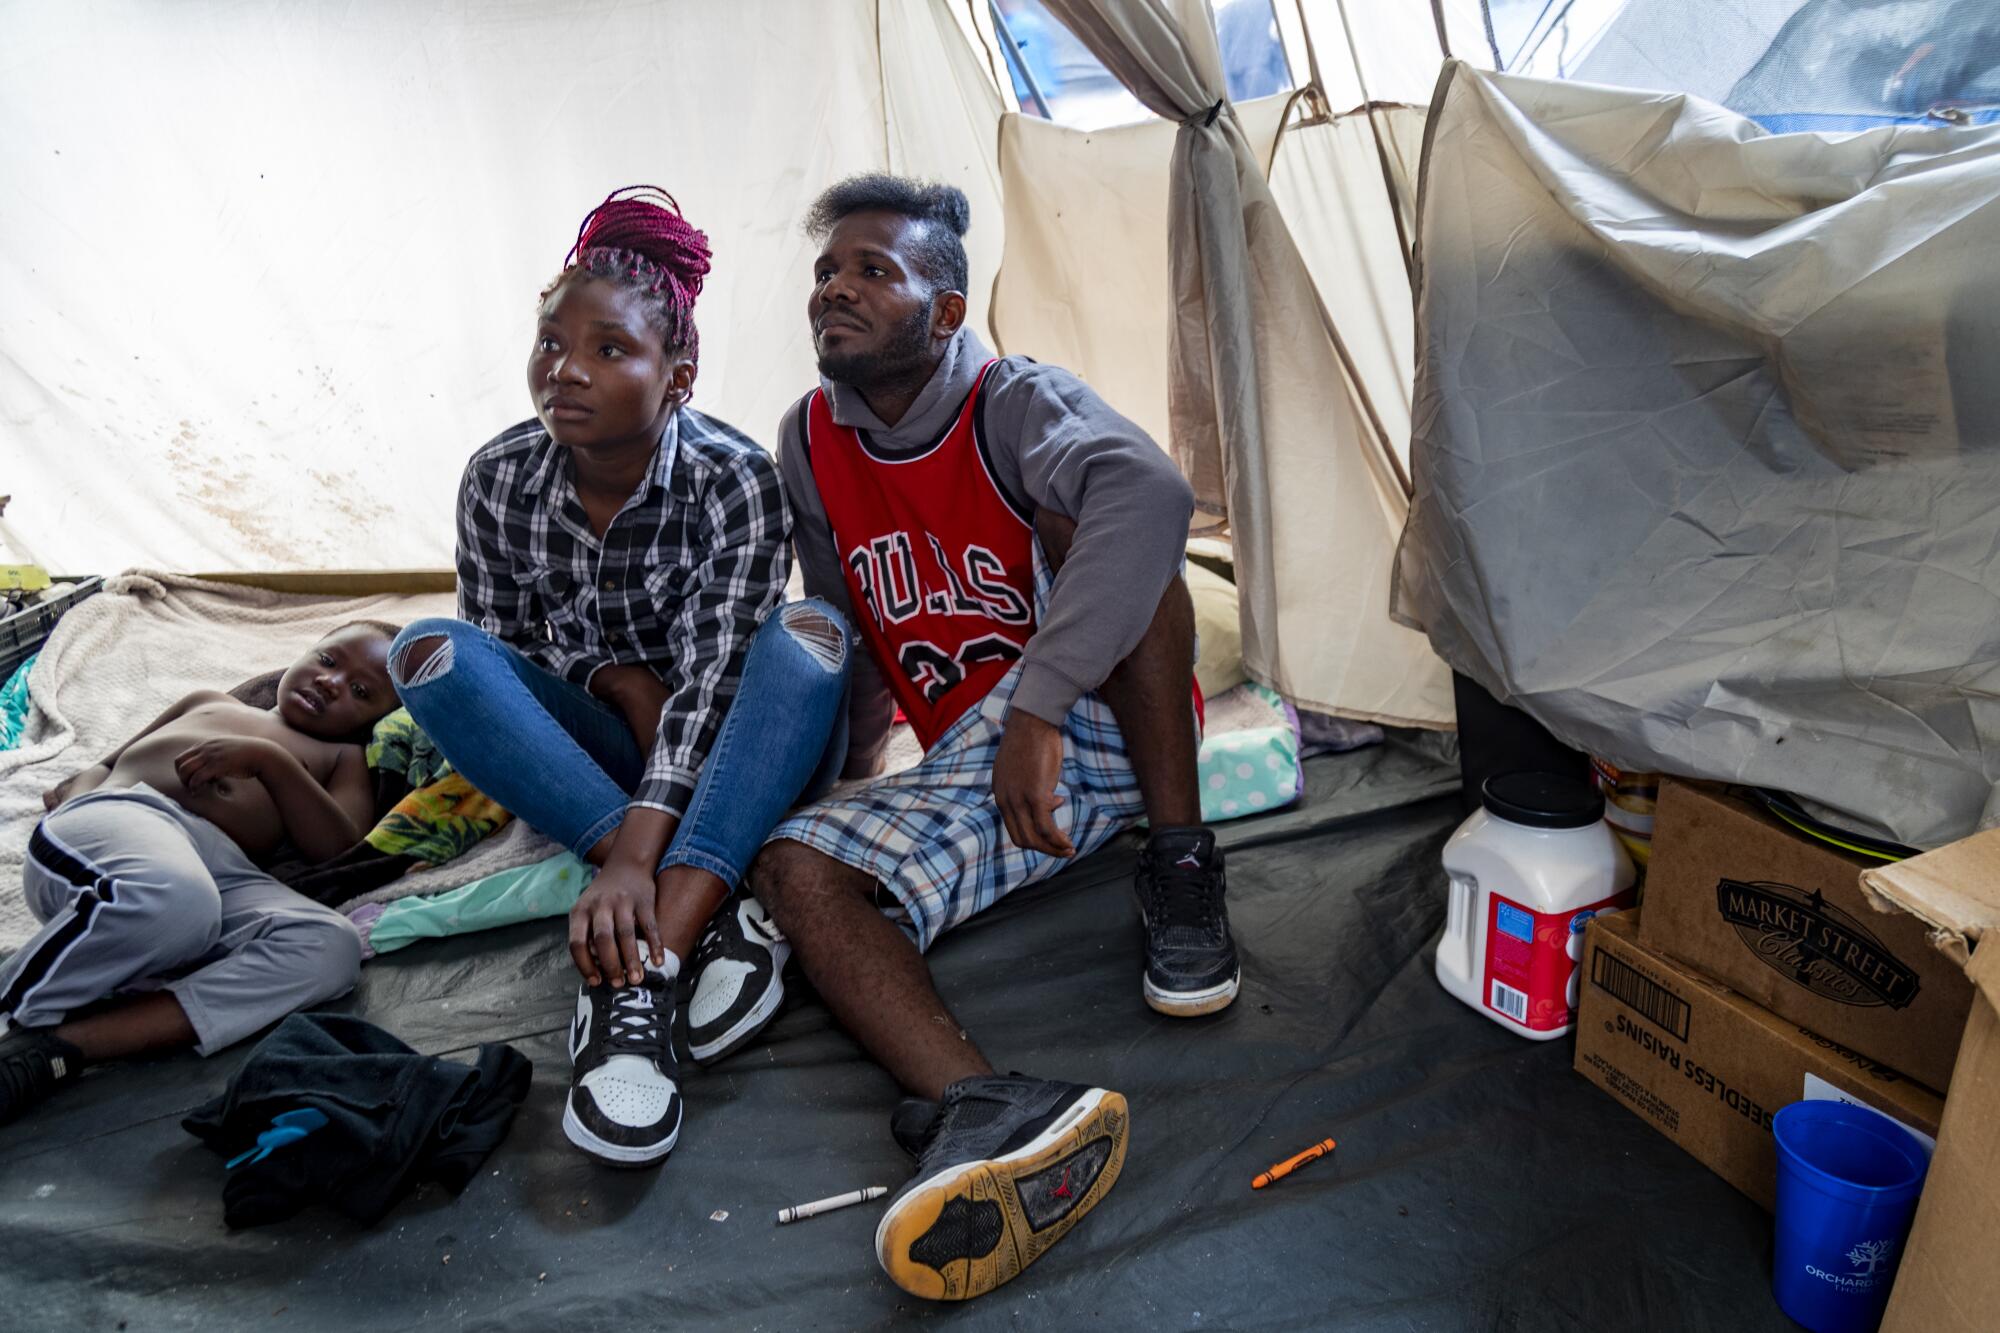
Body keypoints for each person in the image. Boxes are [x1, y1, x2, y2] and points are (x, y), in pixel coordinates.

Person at [740, 173, 1238, 1301]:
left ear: (946, 310)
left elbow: (1152, 496)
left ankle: (1180, 861)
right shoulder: (809, 439)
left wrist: (1039, 705)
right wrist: (846, 788)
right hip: (983, 765)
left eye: (874, 271)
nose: (836, 291)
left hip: (1099, 724)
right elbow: (855, 634)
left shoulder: (1010, 399)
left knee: (1109, 517)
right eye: (826, 272)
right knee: (793, 864)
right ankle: (997, 1114)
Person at [387, 187, 851, 1169]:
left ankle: (633, 986)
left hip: (738, 754)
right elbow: (505, 656)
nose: (566, 373)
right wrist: (607, 675)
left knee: (809, 636)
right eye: (551, 344)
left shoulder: (734, 479)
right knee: (429, 653)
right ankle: (708, 911)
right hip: (611, 751)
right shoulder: (498, 479)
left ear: (679, 375)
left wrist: (636, 858)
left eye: (608, 349)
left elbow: (717, 684)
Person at [0, 622, 401, 1122]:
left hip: (223, 872)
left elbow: (336, 846)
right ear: (303, 654)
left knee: (332, 946)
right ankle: (10, 1011)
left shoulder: (341, 757)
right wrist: (80, 796)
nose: (331, 683)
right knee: (178, 898)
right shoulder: (209, 701)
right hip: (126, 821)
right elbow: (103, 766)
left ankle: (62, 1047)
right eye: (327, 660)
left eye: (361, 692)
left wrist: (271, 762)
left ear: (377, 721)